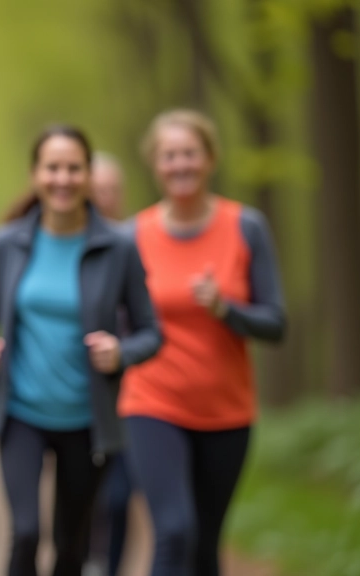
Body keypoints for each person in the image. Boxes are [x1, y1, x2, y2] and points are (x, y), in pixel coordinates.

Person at [0, 126, 162, 576]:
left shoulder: (117, 246)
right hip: (20, 414)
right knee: (25, 533)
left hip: (86, 420)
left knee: (71, 546)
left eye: (74, 168)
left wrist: (121, 351)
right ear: (36, 174)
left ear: (88, 174)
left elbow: (150, 332)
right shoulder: (8, 242)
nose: (63, 178)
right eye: (52, 168)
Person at [119, 109, 286, 576]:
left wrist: (226, 309)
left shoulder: (245, 227)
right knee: (174, 530)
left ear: (210, 159)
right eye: (169, 156)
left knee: (206, 545)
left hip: (226, 410)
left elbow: (276, 323)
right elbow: (115, 318)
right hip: (153, 402)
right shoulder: (132, 235)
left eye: (190, 154)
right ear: (156, 164)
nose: (180, 165)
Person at [86, 151, 136, 576]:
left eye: (110, 191)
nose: (102, 198)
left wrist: (126, 352)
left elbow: (152, 323)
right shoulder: (65, 244)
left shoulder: (130, 246)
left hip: (135, 396)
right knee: (84, 497)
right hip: (80, 398)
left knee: (119, 497)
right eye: (95, 190)